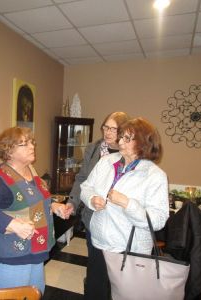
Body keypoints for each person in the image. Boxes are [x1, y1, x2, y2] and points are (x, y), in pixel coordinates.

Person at [80, 117, 170, 299]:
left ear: (144, 143)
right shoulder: (106, 162)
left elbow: (159, 220)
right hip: (99, 245)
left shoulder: (155, 176)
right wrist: (92, 199)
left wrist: (128, 204)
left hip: (128, 250)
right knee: (95, 292)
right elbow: (86, 187)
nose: (120, 142)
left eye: (127, 139)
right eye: (121, 137)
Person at [0, 127, 67, 294]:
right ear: (9, 150)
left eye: (32, 142)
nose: (32, 146)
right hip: (13, 255)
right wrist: (12, 224)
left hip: (36, 250)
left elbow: (36, 199)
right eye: (24, 144)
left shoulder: (30, 171)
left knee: (34, 294)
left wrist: (53, 206)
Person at [64, 111, 129, 300]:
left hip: (117, 222)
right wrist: (73, 202)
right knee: (95, 265)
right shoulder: (94, 149)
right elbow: (82, 179)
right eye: (105, 127)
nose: (107, 132)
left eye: (113, 129)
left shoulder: (129, 153)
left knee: (115, 272)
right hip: (93, 217)